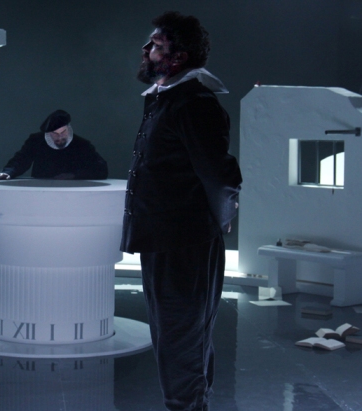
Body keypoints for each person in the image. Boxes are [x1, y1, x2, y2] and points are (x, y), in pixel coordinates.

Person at [120, 12, 242, 411]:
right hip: (165, 241)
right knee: (173, 337)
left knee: (182, 339)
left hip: (185, 244)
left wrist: (214, 224)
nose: (146, 49)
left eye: (157, 45)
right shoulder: (168, 98)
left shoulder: (193, 103)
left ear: (178, 57)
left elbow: (220, 176)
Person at [0, 109, 108, 180]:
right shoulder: (36, 141)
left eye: (63, 132)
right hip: (41, 191)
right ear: (48, 133)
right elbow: (21, 160)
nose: (60, 137)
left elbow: (101, 169)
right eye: (55, 134)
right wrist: (8, 173)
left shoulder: (82, 145)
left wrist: (74, 175)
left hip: (73, 192)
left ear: (69, 129)